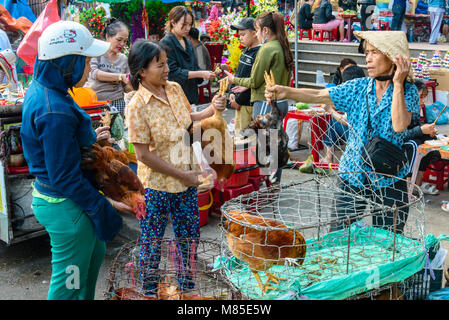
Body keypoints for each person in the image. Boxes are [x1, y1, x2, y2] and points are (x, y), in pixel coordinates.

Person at [265, 31, 419, 233]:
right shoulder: (357, 87)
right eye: (367, 52)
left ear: (392, 57)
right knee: (338, 236)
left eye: (375, 52)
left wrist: (398, 83)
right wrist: (287, 91)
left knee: (388, 242)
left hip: (389, 177)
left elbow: (399, 125)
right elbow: (320, 94)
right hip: (352, 174)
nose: (368, 58)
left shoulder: (409, 91)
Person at [20, 21, 128, 300]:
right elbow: (63, 175)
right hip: (67, 207)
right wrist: (101, 205)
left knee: (89, 267)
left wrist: (91, 137)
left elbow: (62, 147)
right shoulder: (53, 110)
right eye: (85, 60)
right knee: (68, 287)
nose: (89, 67)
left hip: (69, 201)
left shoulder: (49, 88)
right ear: (66, 63)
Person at [125, 39, 226, 297]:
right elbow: (143, 155)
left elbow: (187, 119)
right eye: (160, 64)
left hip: (186, 183)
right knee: (152, 243)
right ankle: (148, 291)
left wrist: (212, 109)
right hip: (156, 187)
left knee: (189, 239)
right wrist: (183, 175)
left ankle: (187, 289)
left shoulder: (175, 89)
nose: (167, 68)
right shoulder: (136, 105)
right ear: (141, 71)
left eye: (166, 62)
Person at [224, 11, 293, 183]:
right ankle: (275, 182)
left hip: (265, 102)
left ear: (266, 30)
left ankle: (264, 183)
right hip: (282, 102)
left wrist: (234, 79)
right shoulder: (281, 45)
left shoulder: (267, 48)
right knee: (275, 144)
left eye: (257, 29)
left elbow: (254, 81)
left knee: (263, 146)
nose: (258, 33)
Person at [160, 6, 216, 105]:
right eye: (184, 24)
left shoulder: (188, 42)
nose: (188, 28)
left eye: (190, 24)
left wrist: (206, 74)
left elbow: (193, 67)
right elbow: (173, 73)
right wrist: (200, 74)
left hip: (191, 93)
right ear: (173, 23)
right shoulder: (166, 43)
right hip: (174, 95)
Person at [85, 18, 132, 119]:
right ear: (107, 37)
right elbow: (95, 73)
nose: (123, 44)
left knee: (117, 133)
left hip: (117, 101)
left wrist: (133, 83)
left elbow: (126, 86)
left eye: (125, 41)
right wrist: (121, 76)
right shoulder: (96, 54)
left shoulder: (124, 59)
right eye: (119, 40)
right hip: (95, 101)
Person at [403, 80, 441, 195]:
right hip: (397, 142)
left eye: (424, 97)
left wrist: (427, 130)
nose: (423, 101)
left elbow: (416, 126)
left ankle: (418, 182)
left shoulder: (416, 110)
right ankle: (408, 184)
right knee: (414, 145)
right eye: (420, 97)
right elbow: (401, 134)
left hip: (409, 137)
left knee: (430, 141)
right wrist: (421, 129)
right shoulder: (403, 109)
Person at [322, 64, 366, 164]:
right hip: (372, 137)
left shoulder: (352, 93)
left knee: (333, 123)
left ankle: (328, 157)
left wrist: (330, 110)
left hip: (359, 136)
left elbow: (346, 121)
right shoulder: (368, 89)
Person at [228, 17, 261, 135]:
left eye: (243, 34)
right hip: (238, 102)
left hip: (247, 104)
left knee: (246, 138)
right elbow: (238, 75)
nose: (240, 38)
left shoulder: (259, 53)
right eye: (239, 35)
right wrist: (231, 93)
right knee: (238, 135)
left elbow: (253, 81)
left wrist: (238, 100)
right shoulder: (246, 50)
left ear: (254, 34)